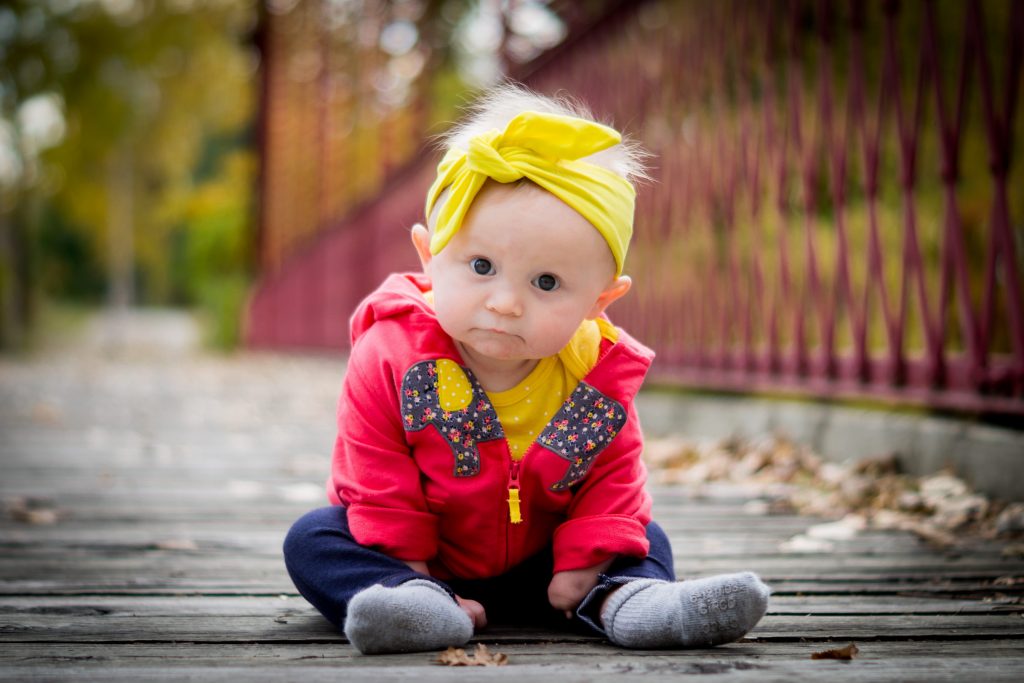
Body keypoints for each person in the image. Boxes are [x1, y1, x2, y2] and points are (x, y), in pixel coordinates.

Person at [283, 83, 770, 654]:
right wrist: (412, 566)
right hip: (425, 557)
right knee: (315, 538)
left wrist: (585, 559)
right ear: (428, 257)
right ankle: (412, 603)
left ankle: (630, 601)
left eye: (546, 283)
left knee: (640, 534)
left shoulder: (593, 371)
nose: (507, 302)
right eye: (481, 266)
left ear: (599, 302)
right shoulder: (391, 354)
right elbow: (374, 471)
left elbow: (613, 477)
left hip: (552, 567)